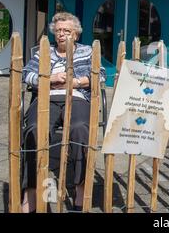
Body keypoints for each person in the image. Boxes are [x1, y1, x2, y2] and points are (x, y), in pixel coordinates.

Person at [21, 12, 106, 212]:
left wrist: (75, 81)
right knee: (33, 130)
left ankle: (80, 188)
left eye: (66, 31)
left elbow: (100, 74)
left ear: (75, 34)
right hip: (47, 97)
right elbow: (26, 74)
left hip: (77, 96)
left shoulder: (86, 51)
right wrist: (50, 77)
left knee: (79, 129)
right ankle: (31, 191)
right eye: (58, 30)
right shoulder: (43, 51)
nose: (61, 34)